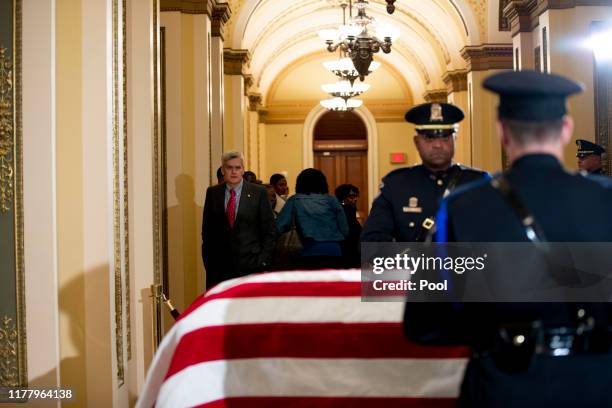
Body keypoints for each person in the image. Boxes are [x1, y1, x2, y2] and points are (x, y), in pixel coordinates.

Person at [404, 70, 612, 407]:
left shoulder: (461, 207)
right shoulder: (607, 199)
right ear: (565, 129)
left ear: (502, 131)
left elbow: (423, 323)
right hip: (598, 384)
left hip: (504, 383)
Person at [361, 102, 488, 242]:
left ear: (454, 140)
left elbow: (501, 240)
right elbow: (372, 242)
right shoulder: (396, 185)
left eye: (445, 137)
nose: (438, 145)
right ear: (416, 142)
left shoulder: (479, 183)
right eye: (429, 138)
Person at [201, 151, 277, 289]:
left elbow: (269, 230)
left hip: (251, 266)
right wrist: (208, 262)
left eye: (238, 167)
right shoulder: (212, 193)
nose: (234, 172)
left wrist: (263, 261)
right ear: (223, 170)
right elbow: (207, 231)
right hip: (219, 268)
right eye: (229, 168)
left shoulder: (258, 193)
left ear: (243, 169)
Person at [277, 168, 348, 269]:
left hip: (307, 251)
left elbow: (279, 227)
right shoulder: (331, 200)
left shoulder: (295, 200)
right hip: (334, 251)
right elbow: (344, 229)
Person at [335, 184, 362, 267]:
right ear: (343, 197)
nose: (355, 199)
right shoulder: (341, 209)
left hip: (353, 245)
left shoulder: (351, 208)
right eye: (351, 196)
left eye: (356, 196)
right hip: (346, 245)